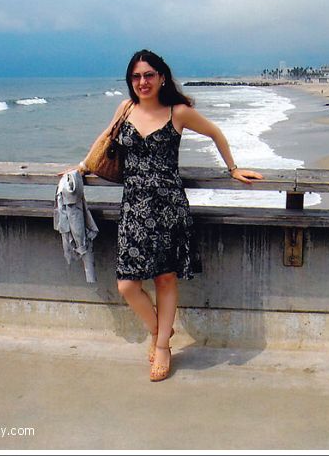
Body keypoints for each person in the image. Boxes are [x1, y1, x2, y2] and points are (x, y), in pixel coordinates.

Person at [68, 49, 263, 382]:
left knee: (165, 278)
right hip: (133, 208)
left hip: (168, 208)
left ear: (161, 77)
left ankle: (161, 347)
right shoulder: (125, 109)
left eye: (148, 75)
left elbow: (215, 132)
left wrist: (233, 168)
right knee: (127, 284)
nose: (142, 82)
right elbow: (106, 138)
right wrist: (83, 167)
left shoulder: (179, 112)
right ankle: (161, 331)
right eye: (136, 76)